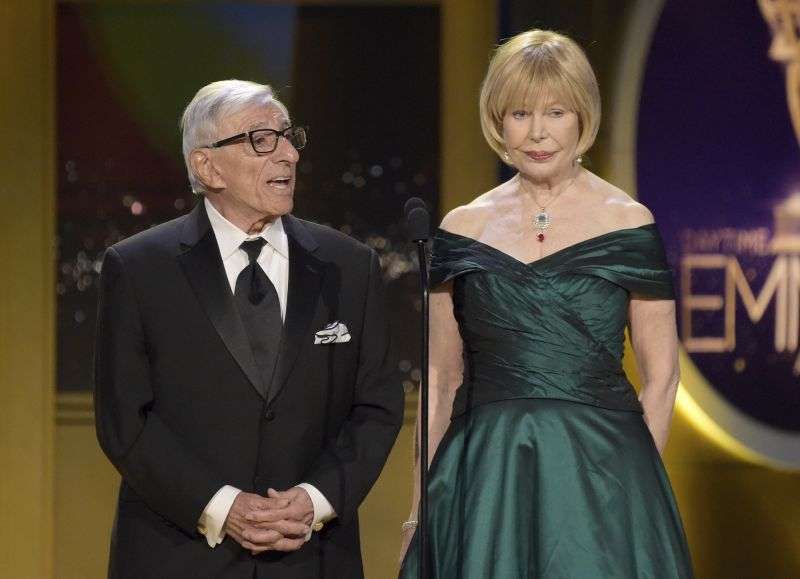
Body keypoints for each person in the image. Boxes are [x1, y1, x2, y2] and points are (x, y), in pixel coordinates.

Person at [399, 30, 693, 578]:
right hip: (483, 477)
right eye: (519, 113)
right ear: (497, 121)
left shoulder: (628, 222)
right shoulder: (461, 228)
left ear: (582, 117)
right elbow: (441, 378)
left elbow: (663, 375)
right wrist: (419, 510)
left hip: (601, 475)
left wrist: (633, 487)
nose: (537, 133)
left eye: (555, 112)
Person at [94, 79, 403, 579]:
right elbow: (123, 420)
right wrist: (221, 506)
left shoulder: (350, 266)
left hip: (312, 556)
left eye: (288, 137)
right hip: (178, 555)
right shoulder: (138, 268)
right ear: (206, 166)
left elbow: (378, 406)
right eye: (261, 140)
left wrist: (316, 498)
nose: (288, 156)